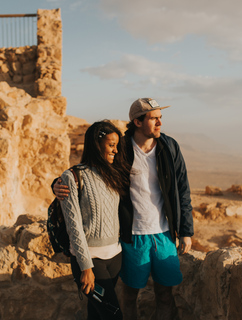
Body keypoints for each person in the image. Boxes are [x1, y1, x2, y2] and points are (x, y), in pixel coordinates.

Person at [54, 98, 194, 320]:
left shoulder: (169, 147)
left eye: (160, 118)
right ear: (137, 122)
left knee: (165, 295)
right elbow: (92, 168)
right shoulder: (122, 149)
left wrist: (186, 230)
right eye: (154, 118)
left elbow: (182, 189)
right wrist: (58, 183)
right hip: (132, 236)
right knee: (128, 296)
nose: (160, 123)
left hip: (164, 234)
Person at [59, 120, 130, 320]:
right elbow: (74, 227)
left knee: (97, 314)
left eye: (117, 145)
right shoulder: (72, 176)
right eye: (111, 145)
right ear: (96, 144)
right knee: (113, 315)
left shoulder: (114, 174)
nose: (115, 150)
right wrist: (86, 267)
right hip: (90, 261)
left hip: (115, 256)